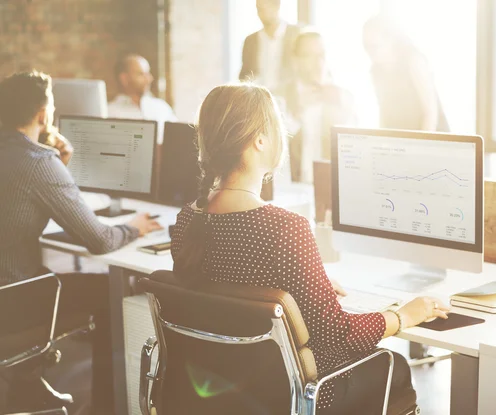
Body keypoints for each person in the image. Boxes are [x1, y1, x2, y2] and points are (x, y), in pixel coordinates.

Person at [170, 82, 450, 414]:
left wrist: (301, 290)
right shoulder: (284, 227)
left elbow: (227, 292)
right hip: (292, 398)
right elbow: (337, 338)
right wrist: (403, 315)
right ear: (260, 140)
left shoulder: (189, 219)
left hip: (226, 392)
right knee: (394, 364)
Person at [0, 71, 161, 413]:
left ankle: (27, 388)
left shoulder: (33, 160)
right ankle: (108, 405)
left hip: (9, 291)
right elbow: (100, 239)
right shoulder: (39, 163)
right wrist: (135, 226)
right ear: (43, 114)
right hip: (13, 306)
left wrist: (59, 166)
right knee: (110, 294)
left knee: (42, 275)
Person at [276, 30, 356, 183]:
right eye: (309, 56)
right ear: (295, 60)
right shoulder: (279, 96)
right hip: (291, 189)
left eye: (321, 55)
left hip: (331, 188)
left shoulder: (344, 97)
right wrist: (296, 114)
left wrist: (343, 107)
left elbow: (354, 151)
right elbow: (273, 147)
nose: (318, 62)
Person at [363, 15, 449, 132]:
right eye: (366, 47)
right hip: (402, 140)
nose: (370, 53)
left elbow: (430, 113)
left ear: (390, 40)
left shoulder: (413, 61)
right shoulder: (376, 71)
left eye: (375, 46)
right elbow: (383, 114)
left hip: (431, 136)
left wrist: (421, 145)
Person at [107, 54, 176, 144]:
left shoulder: (162, 107)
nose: (149, 79)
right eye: (141, 74)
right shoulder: (109, 113)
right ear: (124, 78)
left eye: (148, 74)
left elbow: (178, 138)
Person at [239, 0, 301, 91]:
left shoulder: (296, 35)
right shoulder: (250, 41)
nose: (261, 13)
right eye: (258, 9)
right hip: (259, 98)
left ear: (277, 6)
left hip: (289, 98)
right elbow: (244, 74)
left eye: (265, 8)